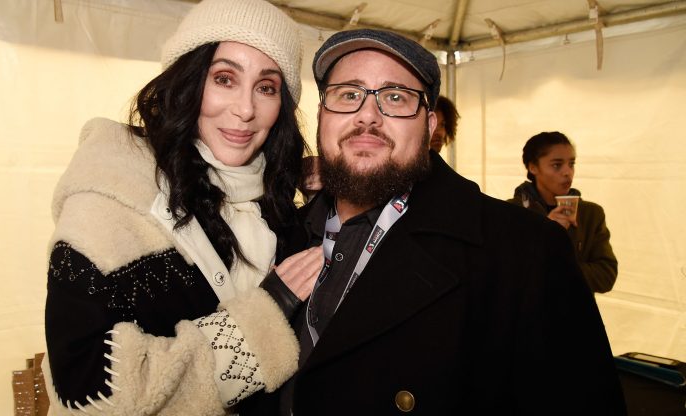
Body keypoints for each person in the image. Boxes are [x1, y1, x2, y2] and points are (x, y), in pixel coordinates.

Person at [241, 29, 625, 415]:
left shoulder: (525, 251)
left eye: (395, 97)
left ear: (428, 127)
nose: (367, 115)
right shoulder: (276, 232)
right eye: (348, 95)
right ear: (322, 115)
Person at [40, 0, 323, 415]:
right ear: (187, 81)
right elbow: (86, 391)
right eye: (224, 79)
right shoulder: (107, 202)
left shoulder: (277, 205)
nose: (245, 109)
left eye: (266, 87)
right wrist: (266, 317)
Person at [508, 132, 618, 293]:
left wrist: (555, 269)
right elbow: (508, 273)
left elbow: (606, 277)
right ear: (533, 167)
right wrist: (544, 233)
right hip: (528, 308)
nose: (567, 172)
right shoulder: (511, 212)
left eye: (571, 164)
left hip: (576, 308)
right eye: (557, 165)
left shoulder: (591, 214)